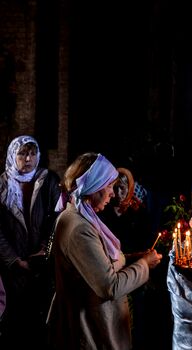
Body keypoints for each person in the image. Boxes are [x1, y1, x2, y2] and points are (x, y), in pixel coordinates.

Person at [47, 152, 163, 350]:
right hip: (89, 331)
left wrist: (132, 258)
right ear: (94, 185)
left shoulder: (80, 217)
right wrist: (144, 265)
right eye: (109, 186)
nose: (112, 193)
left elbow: (96, 261)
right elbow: (110, 286)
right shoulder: (79, 228)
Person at [0, 135, 61, 348]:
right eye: (22, 153)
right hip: (12, 267)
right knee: (14, 319)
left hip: (41, 264)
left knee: (41, 318)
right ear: (12, 155)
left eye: (32, 153)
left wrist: (45, 249)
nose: (28, 159)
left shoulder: (48, 181)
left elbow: (58, 218)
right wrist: (14, 259)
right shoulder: (2, 184)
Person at [99, 167, 156, 350]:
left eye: (123, 187)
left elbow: (147, 241)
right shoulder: (103, 212)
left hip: (136, 270)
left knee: (136, 320)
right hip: (111, 271)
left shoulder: (138, 212)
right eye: (115, 187)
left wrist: (142, 258)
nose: (118, 193)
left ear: (131, 188)